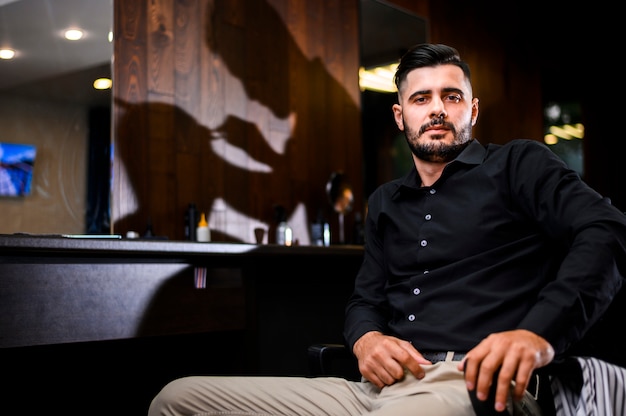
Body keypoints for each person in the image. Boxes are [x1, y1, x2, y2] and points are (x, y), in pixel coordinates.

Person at [148, 43, 626, 415]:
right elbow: (365, 301)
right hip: (375, 391)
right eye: (421, 98)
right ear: (401, 115)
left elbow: (607, 230)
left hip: (475, 387)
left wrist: (535, 335)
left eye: (451, 96)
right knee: (178, 399)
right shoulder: (384, 203)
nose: (437, 108)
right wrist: (365, 340)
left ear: (472, 111)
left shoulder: (518, 164)